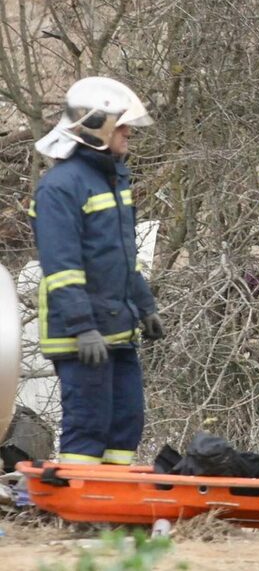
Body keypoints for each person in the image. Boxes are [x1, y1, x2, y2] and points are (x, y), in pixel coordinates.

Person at [30, 76, 162, 468]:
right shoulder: (60, 188)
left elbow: (123, 257)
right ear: (95, 127)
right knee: (88, 425)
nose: (127, 135)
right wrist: (82, 327)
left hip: (117, 327)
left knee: (125, 423)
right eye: (121, 126)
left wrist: (145, 305)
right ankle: (80, 514)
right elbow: (62, 267)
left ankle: (111, 510)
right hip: (80, 333)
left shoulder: (113, 179)